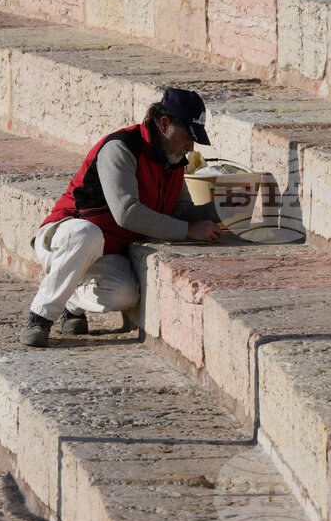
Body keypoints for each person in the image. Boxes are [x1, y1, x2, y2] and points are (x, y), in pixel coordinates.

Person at [20, 88, 223, 347]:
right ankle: (40, 317)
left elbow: (180, 212)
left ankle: (71, 299)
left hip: (108, 252)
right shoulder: (121, 147)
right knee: (86, 234)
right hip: (64, 237)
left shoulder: (174, 162)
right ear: (164, 125)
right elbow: (127, 213)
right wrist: (187, 231)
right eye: (187, 137)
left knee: (125, 294)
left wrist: (224, 209)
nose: (190, 147)